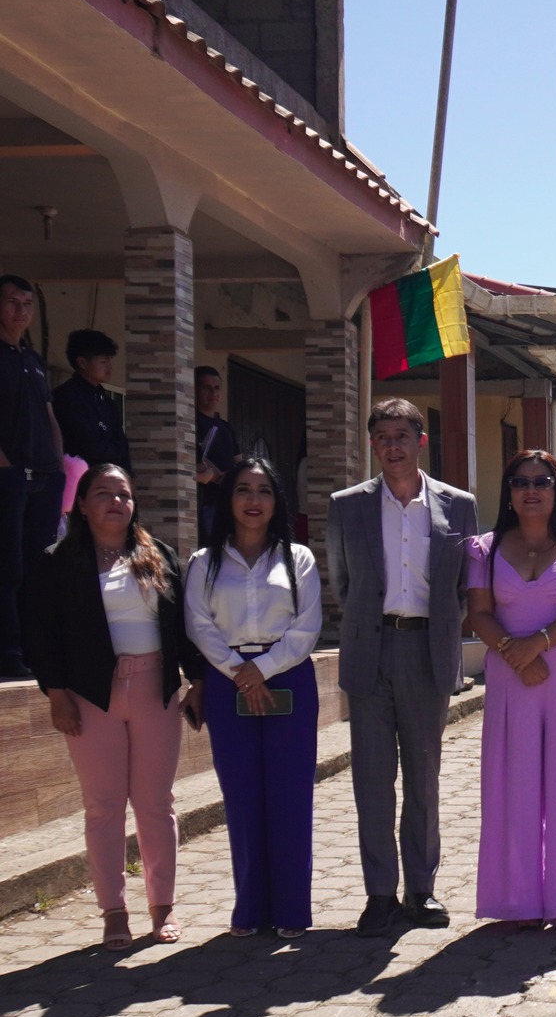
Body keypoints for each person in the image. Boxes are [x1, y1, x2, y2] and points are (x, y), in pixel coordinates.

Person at [23, 464, 204, 948]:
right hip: (90, 695)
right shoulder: (58, 562)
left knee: (156, 803)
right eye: (103, 493)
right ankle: (114, 911)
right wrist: (56, 693)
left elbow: (182, 626)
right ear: (82, 505)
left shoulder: (157, 555)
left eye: (123, 494)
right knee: (103, 806)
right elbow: (40, 633)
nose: (116, 502)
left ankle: (162, 906)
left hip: (154, 690)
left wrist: (198, 681)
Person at [328, 398, 479, 937]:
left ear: (421, 441)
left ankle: (421, 889)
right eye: (382, 437)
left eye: (401, 436)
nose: (392, 446)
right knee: (372, 780)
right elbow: (343, 582)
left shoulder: (458, 505)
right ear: (373, 444)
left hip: (426, 651)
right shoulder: (347, 506)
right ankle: (379, 895)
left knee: (423, 777)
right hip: (370, 651)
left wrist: (437, 628)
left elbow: (464, 584)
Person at [464, 451, 556, 935]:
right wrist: (516, 653)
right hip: (513, 677)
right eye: (521, 482)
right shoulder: (484, 549)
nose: (531, 490)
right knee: (513, 784)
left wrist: (538, 644)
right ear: (508, 491)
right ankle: (517, 900)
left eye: (542, 482)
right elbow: (479, 613)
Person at [185, 456, 322, 937]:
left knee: (290, 796)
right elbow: (198, 625)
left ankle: (291, 911)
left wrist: (260, 670)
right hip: (228, 683)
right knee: (242, 796)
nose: (253, 500)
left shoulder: (298, 558)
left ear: (276, 501)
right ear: (229, 498)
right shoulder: (204, 563)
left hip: (288, 678)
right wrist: (239, 672)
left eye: (263, 491)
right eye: (243, 489)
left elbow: (307, 627)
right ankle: (249, 909)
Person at [1, 273, 65, 680]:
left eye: (27, 304)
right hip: (8, 478)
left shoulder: (32, 360)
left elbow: (49, 416)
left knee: (39, 571)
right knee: (8, 568)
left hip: (44, 477)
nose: (21, 311)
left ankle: (33, 650)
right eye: (12, 302)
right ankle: (7, 653)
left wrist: (58, 467)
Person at [53, 330, 129, 470]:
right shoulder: (66, 397)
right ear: (82, 362)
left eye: (109, 360)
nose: (109, 366)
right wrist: (114, 452)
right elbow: (87, 446)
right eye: (103, 361)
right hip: (78, 476)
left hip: (110, 474)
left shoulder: (107, 402)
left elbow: (122, 446)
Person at [193, 367, 238, 543]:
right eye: (207, 387)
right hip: (203, 505)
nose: (213, 393)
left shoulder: (225, 427)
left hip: (229, 504)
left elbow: (238, 462)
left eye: (217, 388)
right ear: (195, 389)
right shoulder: (190, 424)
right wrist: (213, 476)